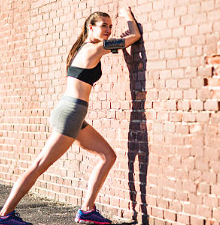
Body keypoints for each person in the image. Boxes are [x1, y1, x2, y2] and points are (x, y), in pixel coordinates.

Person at [0, 6, 141, 225]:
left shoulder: (85, 48)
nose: (108, 30)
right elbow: (134, 37)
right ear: (90, 27)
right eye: (104, 26)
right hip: (71, 113)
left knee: (108, 156)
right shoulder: (94, 48)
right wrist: (127, 16)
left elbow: (121, 44)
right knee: (39, 165)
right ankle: (5, 214)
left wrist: (117, 37)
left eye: (110, 26)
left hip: (72, 113)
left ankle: (86, 210)